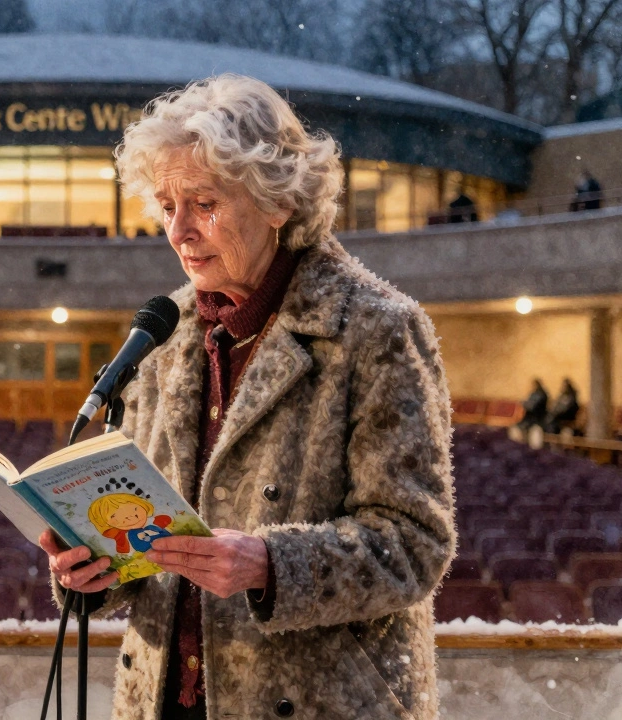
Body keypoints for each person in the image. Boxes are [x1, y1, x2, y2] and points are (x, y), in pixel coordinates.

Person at [42, 74, 455, 720]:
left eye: (203, 203)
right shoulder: (167, 333)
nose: (177, 231)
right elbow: (143, 531)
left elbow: (414, 543)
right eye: (166, 205)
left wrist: (270, 564)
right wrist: (89, 571)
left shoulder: (378, 330)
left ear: (277, 202)